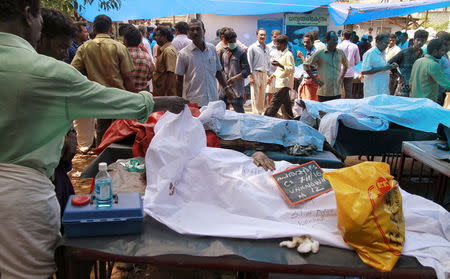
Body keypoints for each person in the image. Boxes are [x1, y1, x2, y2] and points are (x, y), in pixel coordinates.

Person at [0, 1, 188, 278]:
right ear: (29, 15)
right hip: (18, 199)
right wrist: (162, 101)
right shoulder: (48, 72)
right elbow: (111, 97)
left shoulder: (77, 56)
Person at [36, 7, 79, 219]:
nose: (65, 54)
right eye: (61, 47)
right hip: (41, 176)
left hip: (59, 168)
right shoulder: (32, 76)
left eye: (67, 48)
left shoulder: (56, 72)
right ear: (41, 40)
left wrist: (70, 135)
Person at [71, 15, 136, 145]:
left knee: (102, 129)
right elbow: (128, 77)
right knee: (120, 130)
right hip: (119, 97)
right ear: (110, 29)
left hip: (98, 96)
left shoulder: (84, 48)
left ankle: (101, 158)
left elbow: (73, 71)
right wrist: (133, 97)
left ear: (94, 29)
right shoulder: (119, 47)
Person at [175, 19, 232, 107]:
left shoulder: (212, 49)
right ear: (188, 33)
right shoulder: (183, 54)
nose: (195, 32)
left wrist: (226, 88)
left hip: (213, 100)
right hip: (194, 101)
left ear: (204, 31)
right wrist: (179, 101)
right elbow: (179, 80)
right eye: (192, 30)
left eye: (198, 29)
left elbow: (218, 72)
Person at [303, 31, 348, 102]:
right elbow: (306, 65)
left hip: (337, 91)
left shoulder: (340, 53)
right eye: (333, 40)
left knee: (335, 112)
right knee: (324, 112)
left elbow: (346, 64)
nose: (336, 42)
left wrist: (341, 77)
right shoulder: (320, 53)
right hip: (324, 92)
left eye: (336, 40)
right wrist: (315, 79)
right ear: (327, 40)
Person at [388, 29, 428, 97]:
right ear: (413, 40)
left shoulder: (422, 54)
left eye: (422, 41)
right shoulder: (405, 52)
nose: (419, 42)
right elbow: (389, 63)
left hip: (415, 86)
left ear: (425, 42)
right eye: (418, 40)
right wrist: (399, 75)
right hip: (403, 86)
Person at [218, 29, 250, 113]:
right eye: (230, 41)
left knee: (240, 115)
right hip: (223, 89)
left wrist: (235, 78)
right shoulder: (222, 52)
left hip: (236, 90)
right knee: (222, 114)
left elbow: (247, 70)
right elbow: (219, 69)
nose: (232, 43)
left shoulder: (241, 53)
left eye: (234, 41)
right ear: (225, 41)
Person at [264, 34, 295, 119]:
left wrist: (279, 65)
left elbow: (291, 69)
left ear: (284, 44)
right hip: (281, 83)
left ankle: (266, 119)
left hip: (284, 84)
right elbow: (280, 69)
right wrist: (272, 76)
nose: (276, 46)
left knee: (274, 103)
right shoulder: (282, 54)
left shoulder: (288, 54)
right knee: (286, 106)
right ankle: (290, 121)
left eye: (278, 44)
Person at [124, 26, 155, 92]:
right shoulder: (146, 57)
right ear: (140, 41)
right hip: (141, 95)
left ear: (125, 40)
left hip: (125, 95)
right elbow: (149, 77)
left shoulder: (121, 55)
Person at [247, 28, 271, 114]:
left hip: (264, 74)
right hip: (255, 73)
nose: (263, 36)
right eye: (261, 34)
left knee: (262, 95)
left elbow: (268, 63)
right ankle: (255, 113)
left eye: (264, 35)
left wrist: (268, 75)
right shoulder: (252, 48)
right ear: (257, 36)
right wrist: (250, 76)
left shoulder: (267, 48)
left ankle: (260, 113)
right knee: (255, 95)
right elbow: (248, 63)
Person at [153, 26, 178, 96]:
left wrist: (166, 93)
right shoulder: (163, 50)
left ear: (165, 37)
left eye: (158, 35)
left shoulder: (168, 51)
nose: (155, 38)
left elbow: (171, 74)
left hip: (166, 94)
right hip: (161, 91)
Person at [337, 29, 360, 98]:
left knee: (338, 91)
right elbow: (357, 61)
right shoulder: (354, 46)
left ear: (343, 36)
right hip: (350, 71)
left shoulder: (338, 46)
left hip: (339, 71)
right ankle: (348, 106)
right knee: (348, 91)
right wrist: (351, 65)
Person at [297, 32, 319, 101]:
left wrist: (302, 57)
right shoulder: (309, 50)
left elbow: (307, 66)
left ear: (312, 42)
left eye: (307, 42)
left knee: (310, 101)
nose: (305, 44)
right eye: (304, 42)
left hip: (312, 80)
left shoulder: (313, 52)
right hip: (309, 80)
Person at [266, 29, 282, 104]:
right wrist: (268, 74)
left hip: (280, 75)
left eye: (278, 36)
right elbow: (265, 61)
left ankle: (276, 111)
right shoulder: (267, 47)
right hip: (270, 74)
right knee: (270, 94)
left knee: (279, 94)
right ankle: (269, 111)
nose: (276, 38)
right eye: (275, 36)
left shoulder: (283, 47)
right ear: (271, 37)